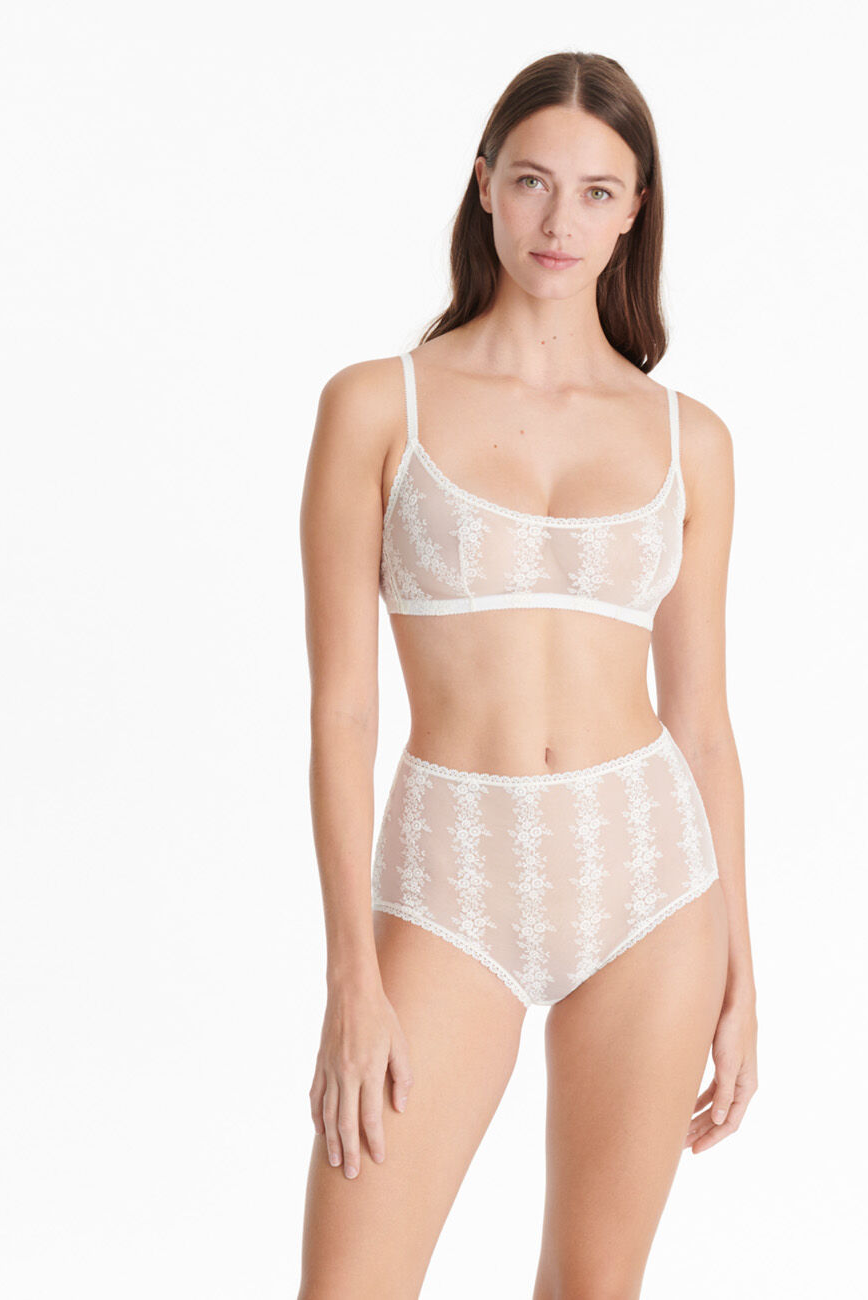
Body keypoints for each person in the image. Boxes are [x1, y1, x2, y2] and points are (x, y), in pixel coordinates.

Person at [295, 51, 758, 1299]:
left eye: (599, 192)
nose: (562, 220)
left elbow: (703, 722)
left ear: (635, 210)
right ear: (484, 184)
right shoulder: (375, 406)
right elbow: (342, 712)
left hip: (652, 879)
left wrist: (743, 974)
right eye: (534, 181)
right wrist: (350, 978)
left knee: (594, 1288)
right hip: (451, 879)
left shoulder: (691, 439)